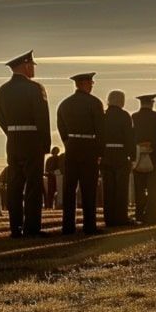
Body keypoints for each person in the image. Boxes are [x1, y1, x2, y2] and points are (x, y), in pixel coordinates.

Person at [0, 50, 51, 238]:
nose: (33, 69)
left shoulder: (2, 90)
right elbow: (42, 117)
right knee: (33, 184)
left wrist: (12, 132)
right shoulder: (35, 88)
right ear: (26, 66)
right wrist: (45, 144)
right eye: (32, 66)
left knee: (15, 184)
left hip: (13, 140)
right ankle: (32, 227)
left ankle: (15, 227)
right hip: (32, 140)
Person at [56, 72, 105, 235]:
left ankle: (68, 226)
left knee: (69, 188)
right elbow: (100, 129)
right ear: (85, 84)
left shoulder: (64, 104)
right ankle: (89, 225)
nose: (92, 85)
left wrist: (68, 143)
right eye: (91, 83)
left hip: (71, 147)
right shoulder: (95, 103)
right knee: (88, 188)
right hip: (89, 147)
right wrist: (100, 151)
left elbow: (61, 127)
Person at [131, 93, 156, 224]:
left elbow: (131, 135)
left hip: (138, 155)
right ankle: (152, 214)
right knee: (152, 188)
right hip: (153, 156)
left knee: (139, 188)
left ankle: (139, 214)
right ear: (151, 103)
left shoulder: (134, 117)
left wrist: (138, 148)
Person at [101, 90, 135, 227]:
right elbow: (129, 137)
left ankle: (109, 218)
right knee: (121, 189)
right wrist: (132, 156)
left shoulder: (102, 115)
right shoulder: (125, 116)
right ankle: (121, 217)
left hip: (105, 155)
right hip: (121, 154)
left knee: (108, 189)